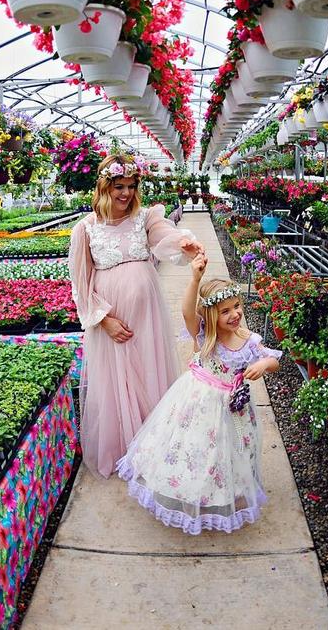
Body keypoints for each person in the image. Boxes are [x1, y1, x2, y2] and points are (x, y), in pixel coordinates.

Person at [117, 254, 281, 534]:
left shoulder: (248, 339)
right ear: (210, 315)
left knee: (231, 449)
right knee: (196, 448)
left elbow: (274, 360)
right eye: (225, 310)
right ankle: (191, 490)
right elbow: (186, 313)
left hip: (234, 407)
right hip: (199, 403)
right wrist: (195, 278)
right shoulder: (204, 335)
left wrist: (264, 364)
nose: (235, 314)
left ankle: (229, 490)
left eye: (237, 306)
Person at [68, 153, 204, 478]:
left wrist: (183, 242)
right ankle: (124, 448)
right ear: (104, 187)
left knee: (149, 372)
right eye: (118, 187)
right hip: (113, 319)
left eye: (130, 186)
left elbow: (165, 234)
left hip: (148, 317)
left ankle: (153, 445)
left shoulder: (145, 218)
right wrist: (104, 320)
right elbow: (81, 285)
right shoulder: (86, 230)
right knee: (120, 382)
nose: (125, 193)